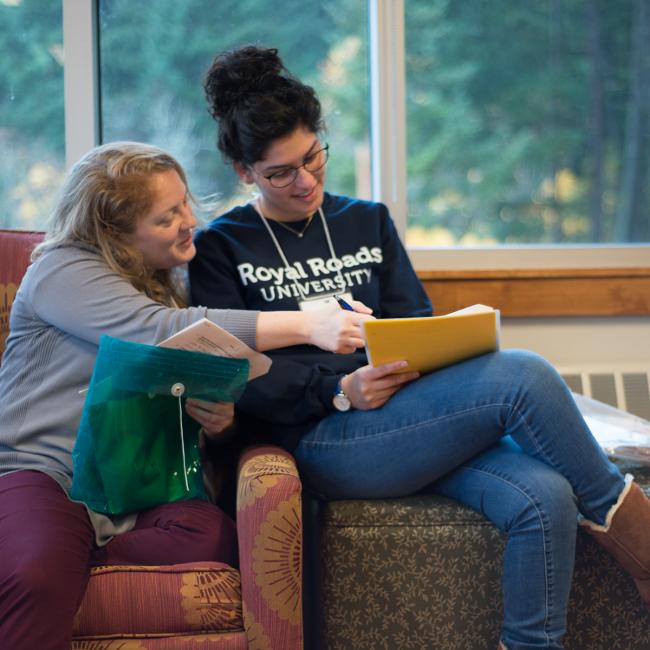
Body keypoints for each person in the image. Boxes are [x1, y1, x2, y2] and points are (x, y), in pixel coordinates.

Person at [189, 45, 650, 650]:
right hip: (324, 439)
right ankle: (644, 549)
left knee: (546, 497)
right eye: (280, 172)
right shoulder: (222, 246)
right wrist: (337, 390)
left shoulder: (367, 221)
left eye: (312, 157)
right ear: (244, 170)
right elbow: (236, 373)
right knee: (524, 376)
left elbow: (416, 321)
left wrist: (411, 351)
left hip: (412, 417)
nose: (305, 182)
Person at [0, 141, 369, 650]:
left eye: (186, 204)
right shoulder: (61, 268)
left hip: (131, 488)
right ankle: (49, 548)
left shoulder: (164, 281)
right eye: (167, 216)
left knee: (215, 537)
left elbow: (165, 391)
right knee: (36, 572)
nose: (189, 220)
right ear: (114, 232)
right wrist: (309, 324)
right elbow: (152, 330)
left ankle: (68, 549)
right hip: (45, 473)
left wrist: (214, 419)